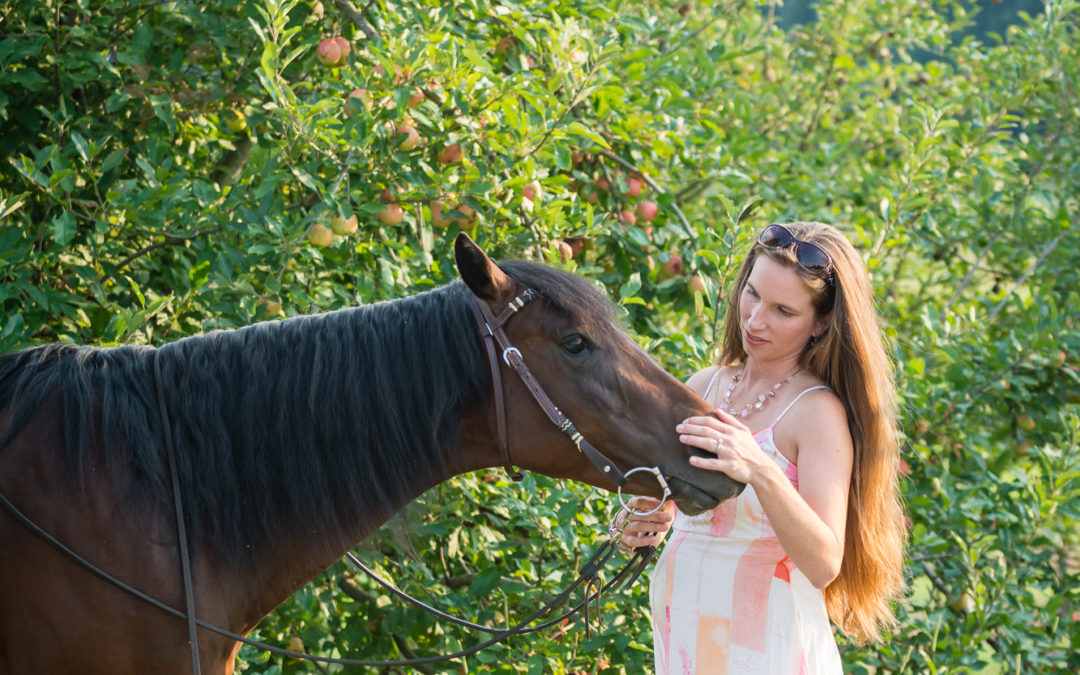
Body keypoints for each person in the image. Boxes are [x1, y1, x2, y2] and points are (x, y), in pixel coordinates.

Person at [611, 222, 906, 673]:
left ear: (821, 322)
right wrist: (633, 523)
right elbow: (673, 511)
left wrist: (760, 468)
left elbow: (825, 562)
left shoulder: (815, 413)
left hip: (768, 652)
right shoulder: (704, 387)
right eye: (752, 294)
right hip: (684, 641)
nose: (755, 319)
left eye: (783, 311)